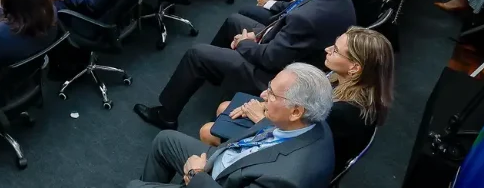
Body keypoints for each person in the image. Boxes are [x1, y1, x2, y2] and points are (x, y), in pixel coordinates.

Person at [133, 0, 354, 130]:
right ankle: (214, 72)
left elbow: (270, 59)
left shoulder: (307, 17)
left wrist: (245, 44)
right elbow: (293, 14)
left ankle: (166, 115)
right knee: (234, 21)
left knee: (196, 53)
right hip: (290, 48)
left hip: (280, 73)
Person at [198, 29, 393, 178]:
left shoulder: (343, 113)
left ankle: (214, 174)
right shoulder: (350, 83)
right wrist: (273, 99)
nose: (327, 50)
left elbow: (299, 138)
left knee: (208, 130)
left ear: (355, 67)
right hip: (298, 127)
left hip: (298, 157)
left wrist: (260, 115)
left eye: (335, 50)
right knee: (225, 107)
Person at [129, 63, 335, 188]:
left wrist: (195, 176)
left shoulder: (285, 179)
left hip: (220, 180)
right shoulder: (311, 122)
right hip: (229, 161)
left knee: (133, 186)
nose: (263, 95)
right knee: (165, 139)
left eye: (272, 94)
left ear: (296, 111)